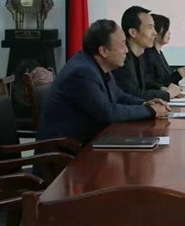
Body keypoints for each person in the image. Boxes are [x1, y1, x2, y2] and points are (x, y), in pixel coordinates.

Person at [38, 19, 169, 145]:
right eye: (122, 45)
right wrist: (150, 111)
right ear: (103, 51)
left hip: (87, 143)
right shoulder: (82, 72)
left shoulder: (98, 66)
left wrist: (145, 103)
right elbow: (108, 113)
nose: (126, 50)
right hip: (65, 152)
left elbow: (119, 96)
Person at [113, 6, 183, 101]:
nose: (155, 33)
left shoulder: (139, 55)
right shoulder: (121, 58)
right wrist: (167, 94)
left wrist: (161, 89)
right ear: (133, 32)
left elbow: (145, 84)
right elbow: (132, 94)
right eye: (150, 28)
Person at [142, 13, 185, 90]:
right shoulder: (148, 54)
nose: (169, 32)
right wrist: (177, 75)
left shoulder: (159, 52)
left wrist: (178, 73)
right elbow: (153, 83)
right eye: (166, 29)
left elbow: (165, 78)